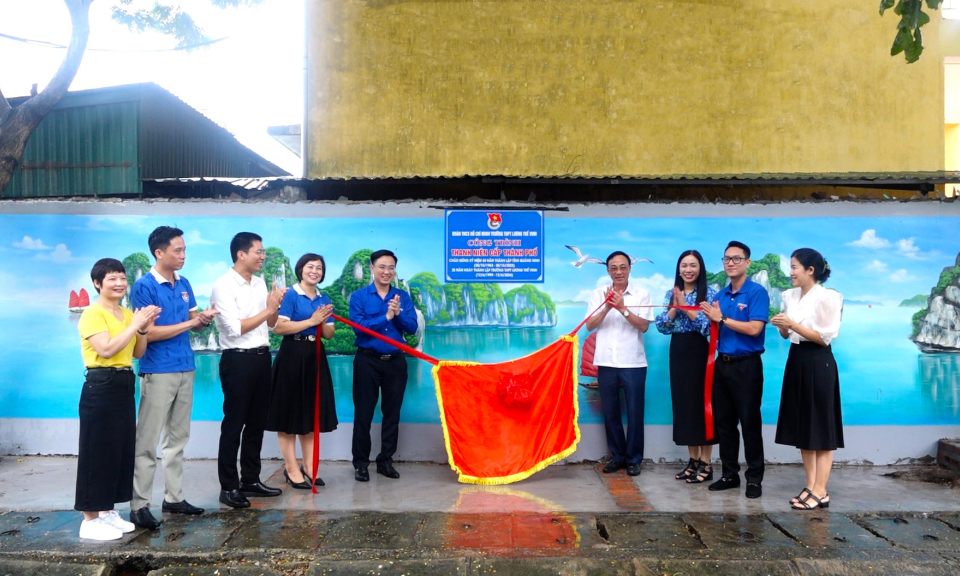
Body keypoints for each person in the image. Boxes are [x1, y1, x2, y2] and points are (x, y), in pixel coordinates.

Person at [129, 226, 218, 530]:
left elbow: (193, 323)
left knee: (178, 439)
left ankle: (174, 497)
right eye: (177, 250)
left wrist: (202, 321)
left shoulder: (184, 283)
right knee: (147, 441)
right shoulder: (144, 286)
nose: (183, 256)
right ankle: (139, 504)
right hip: (158, 370)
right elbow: (148, 333)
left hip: (185, 366)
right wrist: (190, 322)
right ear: (159, 252)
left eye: (184, 250)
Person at [75, 258, 160, 541]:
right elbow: (107, 349)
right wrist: (134, 324)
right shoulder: (92, 313)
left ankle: (107, 511)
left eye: (122, 278)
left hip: (124, 382)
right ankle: (89, 519)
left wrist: (143, 328)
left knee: (120, 450)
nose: (119, 283)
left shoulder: (126, 313)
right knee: (96, 451)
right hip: (101, 384)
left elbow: (137, 352)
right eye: (111, 278)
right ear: (98, 283)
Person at [210, 232, 286, 508]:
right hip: (238, 360)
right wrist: (268, 309)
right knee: (234, 423)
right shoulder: (223, 286)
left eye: (263, 252)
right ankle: (228, 487)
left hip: (262, 357)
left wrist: (274, 306)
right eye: (258, 251)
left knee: (256, 422)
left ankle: (250, 480)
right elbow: (235, 328)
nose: (263, 256)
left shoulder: (259, 282)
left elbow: (270, 323)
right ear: (241, 254)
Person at [771, 248, 843, 511]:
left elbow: (824, 337)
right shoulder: (790, 295)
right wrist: (782, 326)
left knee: (821, 427)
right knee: (803, 425)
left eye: (794, 267)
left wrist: (792, 324)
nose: (790, 272)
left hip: (818, 361)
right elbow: (787, 335)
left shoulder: (828, 297)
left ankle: (821, 489)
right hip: (797, 359)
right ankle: (811, 485)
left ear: (810, 270)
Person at [700, 241, 770, 499]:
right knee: (725, 424)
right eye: (726, 259)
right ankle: (729, 474)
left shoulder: (756, 292)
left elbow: (754, 329)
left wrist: (722, 319)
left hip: (747, 366)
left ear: (747, 263)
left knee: (750, 423)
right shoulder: (719, 297)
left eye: (736, 259)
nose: (730, 263)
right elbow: (713, 328)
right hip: (722, 365)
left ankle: (754, 479)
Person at [266, 253, 338, 489]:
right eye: (310, 267)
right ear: (300, 269)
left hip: (315, 357)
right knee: (288, 416)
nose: (315, 271)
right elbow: (279, 328)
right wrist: (312, 320)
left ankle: (309, 466)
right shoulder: (290, 295)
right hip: (292, 357)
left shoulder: (323, 297)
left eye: (319, 268)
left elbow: (328, 334)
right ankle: (291, 468)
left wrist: (325, 320)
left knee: (310, 415)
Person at [349, 249, 418, 482]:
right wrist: (386, 317)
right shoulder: (359, 296)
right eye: (381, 266)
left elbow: (411, 327)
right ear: (372, 268)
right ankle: (360, 464)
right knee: (363, 413)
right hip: (367, 361)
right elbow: (359, 328)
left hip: (395, 362)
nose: (386, 271)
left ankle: (385, 461)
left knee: (392, 413)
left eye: (390, 267)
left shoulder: (402, 297)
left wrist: (397, 314)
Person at [584, 251, 655, 477]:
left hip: (633, 363)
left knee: (635, 413)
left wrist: (623, 308)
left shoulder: (642, 294)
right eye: (613, 268)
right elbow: (590, 325)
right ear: (607, 271)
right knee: (611, 413)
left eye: (622, 267)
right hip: (605, 361)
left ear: (629, 269)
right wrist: (606, 306)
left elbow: (643, 326)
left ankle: (634, 459)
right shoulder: (598, 294)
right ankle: (617, 457)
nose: (618, 272)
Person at [655, 250, 718, 484]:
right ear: (678, 269)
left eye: (693, 265)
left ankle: (706, 463)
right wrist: (676, 306)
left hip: (701, 352)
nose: (688, 270)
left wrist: (685, 309)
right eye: (684, 265)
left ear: (700, 268)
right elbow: (662, 326)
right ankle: (692, 461)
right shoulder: (671, 293)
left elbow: (708, 329)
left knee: (703, 407)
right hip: (679, 351)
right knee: (685, 407)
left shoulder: (710, 294)